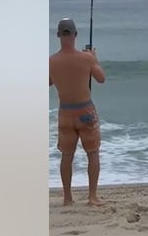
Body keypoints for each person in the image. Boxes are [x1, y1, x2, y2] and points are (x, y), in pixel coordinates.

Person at [49, 18, 106, 206]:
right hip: (85, 112)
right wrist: (94, 59)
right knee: (93, 153)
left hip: (65, 114)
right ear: (75, 34)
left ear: (58, 35)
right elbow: (101, 79)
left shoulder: (51, 61)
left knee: (66, 156)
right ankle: (92, 196)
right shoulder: (86, 58)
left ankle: (67, 198)